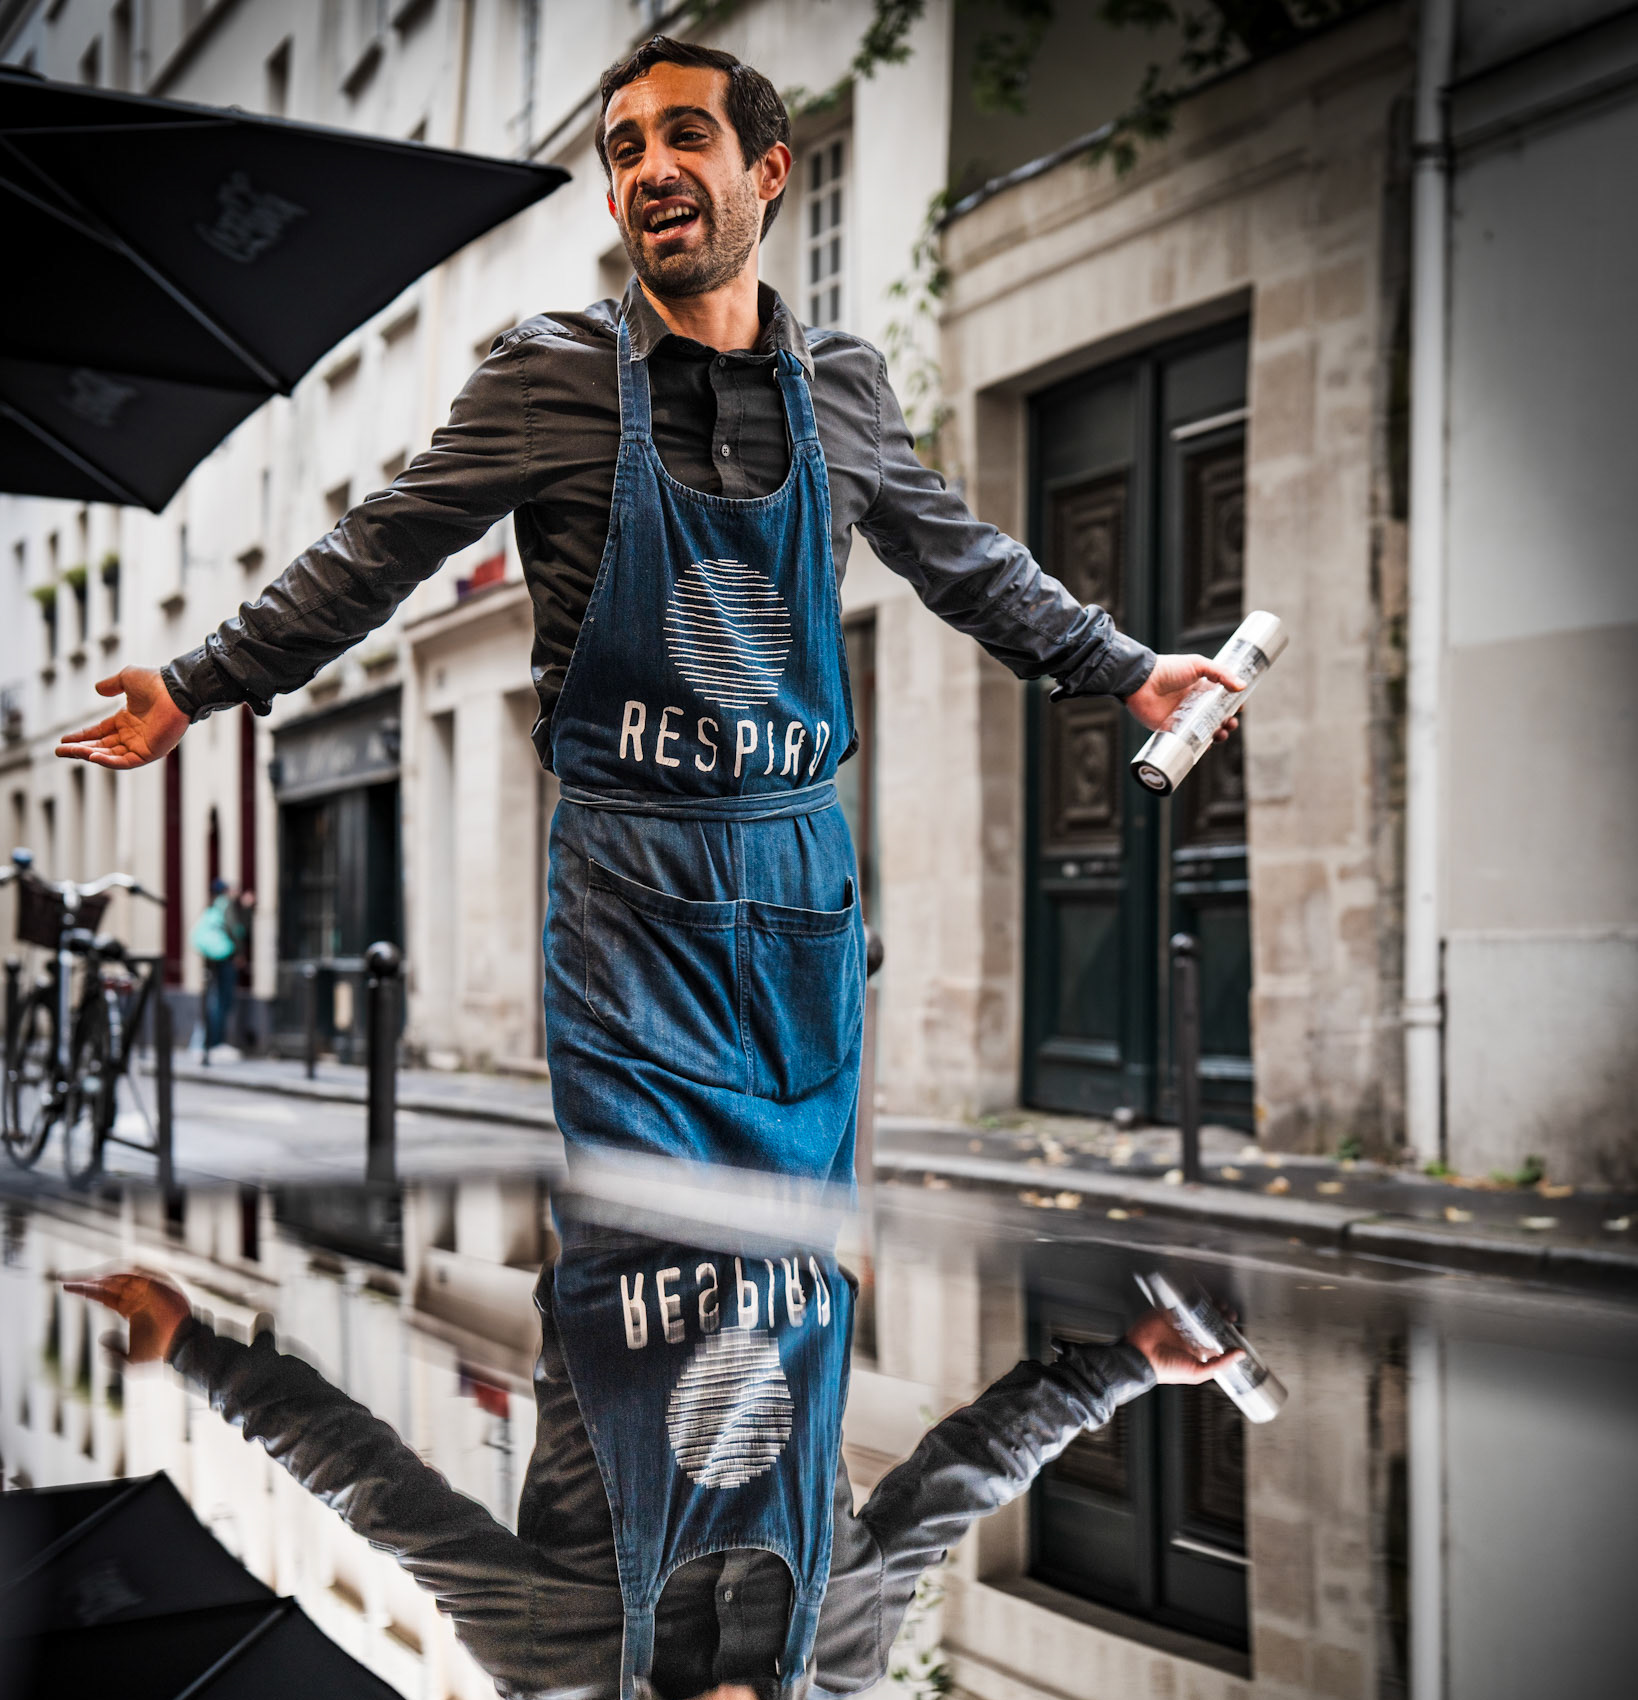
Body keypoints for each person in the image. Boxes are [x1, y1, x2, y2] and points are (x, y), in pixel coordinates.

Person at [55, 35, 1244, 1182]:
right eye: (625, 150)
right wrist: (202, 680)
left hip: (798, 884)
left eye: (686, 135)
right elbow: (380, 547)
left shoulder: (848, 386)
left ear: (767, 173)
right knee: (640, 1274)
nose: (650, 167)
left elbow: (961, 556)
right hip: (625, 887)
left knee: (789, 1281)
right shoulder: (544, 377)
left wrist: (1128, 667)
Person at [66, 1233, 1240, 1700]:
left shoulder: (548, 1657)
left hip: (630, 1181)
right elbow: (969, 1468)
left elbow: (373, 1488)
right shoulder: (845, 1642)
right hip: (794, 1189)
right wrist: (1125, 1365)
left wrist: (197, 1351)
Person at [190, 878, 237, 1062]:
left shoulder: (210, 906)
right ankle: (215, 1043)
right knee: (221, 1001)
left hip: (212, 959)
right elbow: (235, 931)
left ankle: (207, 1043)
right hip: (225, 958)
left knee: (214, 999)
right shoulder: (225, 905)